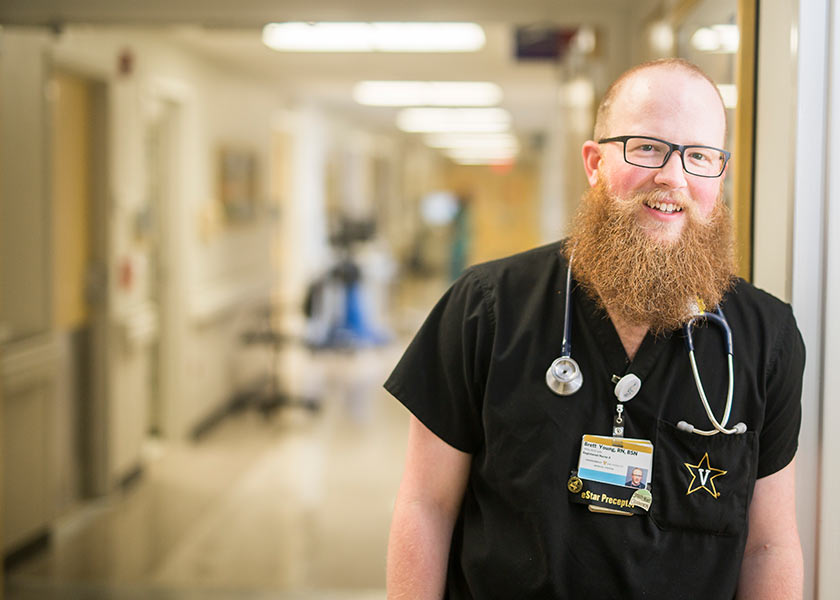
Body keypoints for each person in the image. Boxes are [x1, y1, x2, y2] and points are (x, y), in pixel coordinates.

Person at [384, 58, 805, 599]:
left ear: (718, 176)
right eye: (647, 147)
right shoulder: (485, 309)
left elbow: (768, 546)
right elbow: (427, 504)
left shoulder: (766, 337)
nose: (672, 177)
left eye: (699, 156)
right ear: (594, 163)